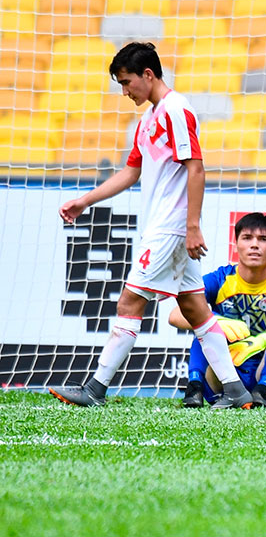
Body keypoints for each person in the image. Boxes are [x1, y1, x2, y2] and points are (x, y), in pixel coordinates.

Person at [50, 42, 253, 409]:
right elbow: (132, 171)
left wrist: (192, 226)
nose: (125, 92)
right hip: (166, 227)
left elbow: (196, 168)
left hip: (171, 229)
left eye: (127, 83)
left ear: (148, 74)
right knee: (195, 310)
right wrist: (85, 200)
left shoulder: (177, 110)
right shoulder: (148, 120)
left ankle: (95, 388)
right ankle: (236, 391)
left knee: (130, 301)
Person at [167, 213, 266, 408]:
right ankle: (194, 387)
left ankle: (263, 389)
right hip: (223, 377)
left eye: (263, 239)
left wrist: (262, 340)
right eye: (247, 238)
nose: (255, 245)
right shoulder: (220, 279)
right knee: (203, 319)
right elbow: (175, 315)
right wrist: (217, 322)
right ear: (236, 245)